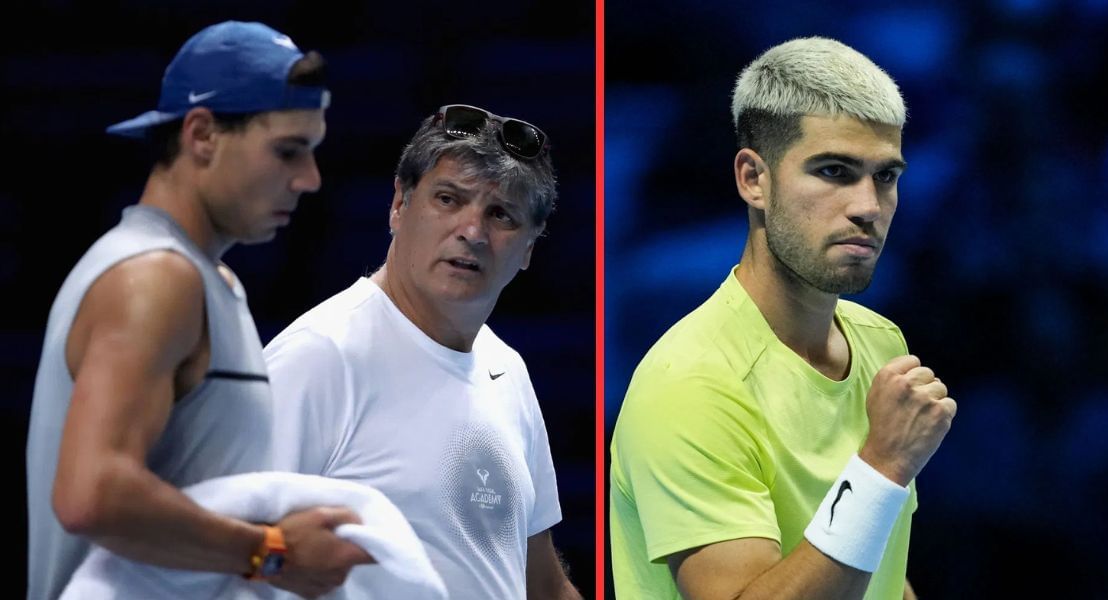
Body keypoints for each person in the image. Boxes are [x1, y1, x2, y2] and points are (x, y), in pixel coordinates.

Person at [26, 21, 372, 600]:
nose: (309, 179)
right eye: (289, 151)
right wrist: (272, 553)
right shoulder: (154, 279)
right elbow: (92, 493)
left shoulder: (206, 281)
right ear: (203, 133)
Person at [609, 37, 957, 600]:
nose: (868, 206)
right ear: (754, 179)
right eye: (834, 170)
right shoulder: (690, 383)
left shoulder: (880, 340)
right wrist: (883, 465)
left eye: (885, 177)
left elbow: (878, 568)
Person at [263, 104, 583, 599]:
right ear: (399, 204)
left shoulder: (508, 371)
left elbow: (542, 583)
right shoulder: (318, 357)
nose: (472, 232)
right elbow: (221, 552)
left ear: (528, 250)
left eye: (501, 215)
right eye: (449, 199)